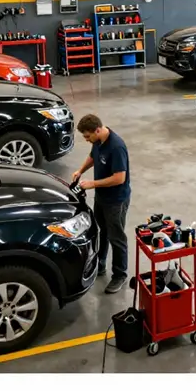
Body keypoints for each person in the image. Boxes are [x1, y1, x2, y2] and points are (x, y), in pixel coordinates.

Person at [72, 114, 131, 294]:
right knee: (102, 232)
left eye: (88, 136)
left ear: (97, 130)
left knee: (116, 237)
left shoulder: (116, 147)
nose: (87, 140)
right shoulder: (98, 142)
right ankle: (101, 264)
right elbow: (93, 156)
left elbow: (119, 178)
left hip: (116, 200)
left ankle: (120, 274)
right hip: (102, 198)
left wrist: (93, 184)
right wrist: (80, 170)